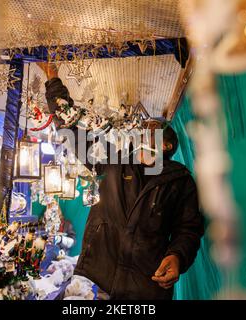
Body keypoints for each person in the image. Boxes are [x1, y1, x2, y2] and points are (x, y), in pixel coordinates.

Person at [38, 62, 205, 300]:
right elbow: (70, 130)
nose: (143, 131)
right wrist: (53, 80)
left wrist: (178, 255)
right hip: (96, 281)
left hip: (146, 289)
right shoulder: (112, 162)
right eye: (142, 129)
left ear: (166, 146)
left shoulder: (180, 181)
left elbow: (188, 229)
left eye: (152, 129)